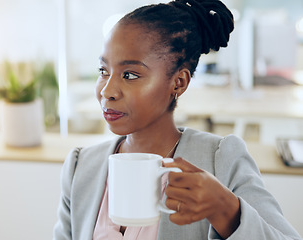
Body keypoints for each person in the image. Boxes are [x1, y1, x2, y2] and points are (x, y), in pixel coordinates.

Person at [53, 0, 302, 239]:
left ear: (178, 82)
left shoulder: (221, 161)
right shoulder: (81, 167)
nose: (107, 91)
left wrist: (227, 211)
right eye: (103, 71)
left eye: (129, 75)